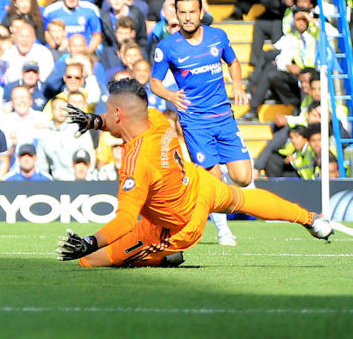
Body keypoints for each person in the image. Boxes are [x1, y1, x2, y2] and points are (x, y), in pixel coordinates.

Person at [55, 79, 332, 268]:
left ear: (118, 113)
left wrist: (91, 242)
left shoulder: (136, 163)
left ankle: (165, 255)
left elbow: (126, 220)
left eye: (106, 111)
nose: (103, 115)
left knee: (89, 261)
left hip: (178, 225)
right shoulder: (156, 118)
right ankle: (312, 219)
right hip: (199, 184)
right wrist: (95, 121)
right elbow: (125, 118)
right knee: (242, 198)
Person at [148, 0, 249, 247]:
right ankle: (224, 232)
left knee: (244, 178)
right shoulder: (167, 47)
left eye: (192, 11)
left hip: (224, 117)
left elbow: (233, 62)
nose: (187, 17)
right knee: (214, 182)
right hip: (194, 122)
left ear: (201, 12)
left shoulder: (218, 36)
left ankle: (208, 183)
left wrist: (237, 84)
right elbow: (155, 83)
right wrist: (171, 96)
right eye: (182, 12)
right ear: (175, 14)